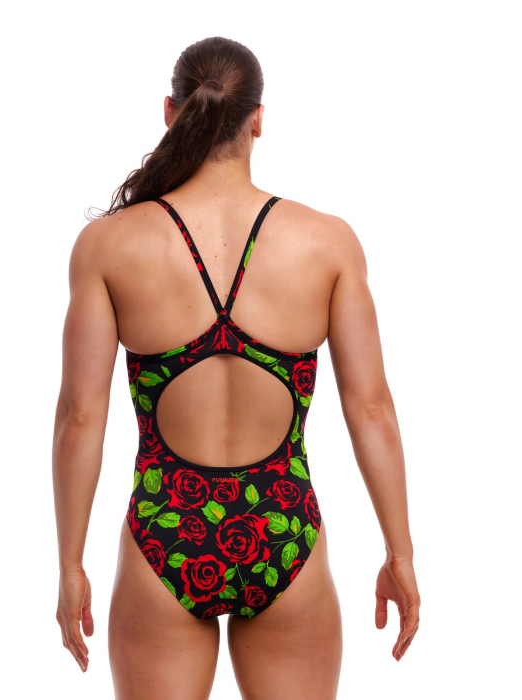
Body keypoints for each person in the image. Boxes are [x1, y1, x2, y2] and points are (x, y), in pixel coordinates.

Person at [52, 36, 420, 699]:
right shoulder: (327, 243)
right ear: (258, 119)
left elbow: (81, 417)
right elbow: (371, 409)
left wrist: (70, 563)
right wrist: (400, 552)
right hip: (283, 528)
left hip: (165, 530)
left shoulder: (108, 245)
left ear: (171, 112)